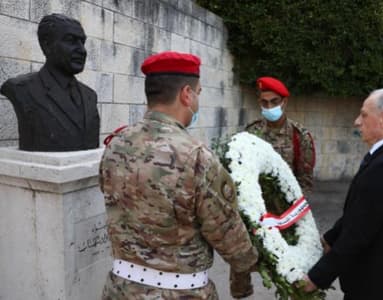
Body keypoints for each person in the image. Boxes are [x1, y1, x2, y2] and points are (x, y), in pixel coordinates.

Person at [99, 51, 258, 300]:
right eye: (198, 92)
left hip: (119, 289)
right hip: (178, 293)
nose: (197, 100)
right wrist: (247, 272)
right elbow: (230, 238)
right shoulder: (196, 157)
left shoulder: (115, 143)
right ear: (186, 94)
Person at [302, 88, 383, 300]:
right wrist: (330, 238)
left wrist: (316, 278)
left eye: (364, 115)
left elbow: (359, 233)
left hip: (377, 286)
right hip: (378, 281)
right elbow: (359, 211)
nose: (357, 121)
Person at [0, 13, 100, 151]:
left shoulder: (90, 96)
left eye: (82, 42)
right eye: (71, 40)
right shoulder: (22, 88)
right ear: (46, 45)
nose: (82, 50)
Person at [245, 76, 315, 194]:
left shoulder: (299, 135)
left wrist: (292, 206)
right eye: (264, 102)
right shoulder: (251, 131)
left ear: (284, 102)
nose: (269, 107)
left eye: (274, 101)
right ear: (259, 103)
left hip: (288, 205)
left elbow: (305, 181)